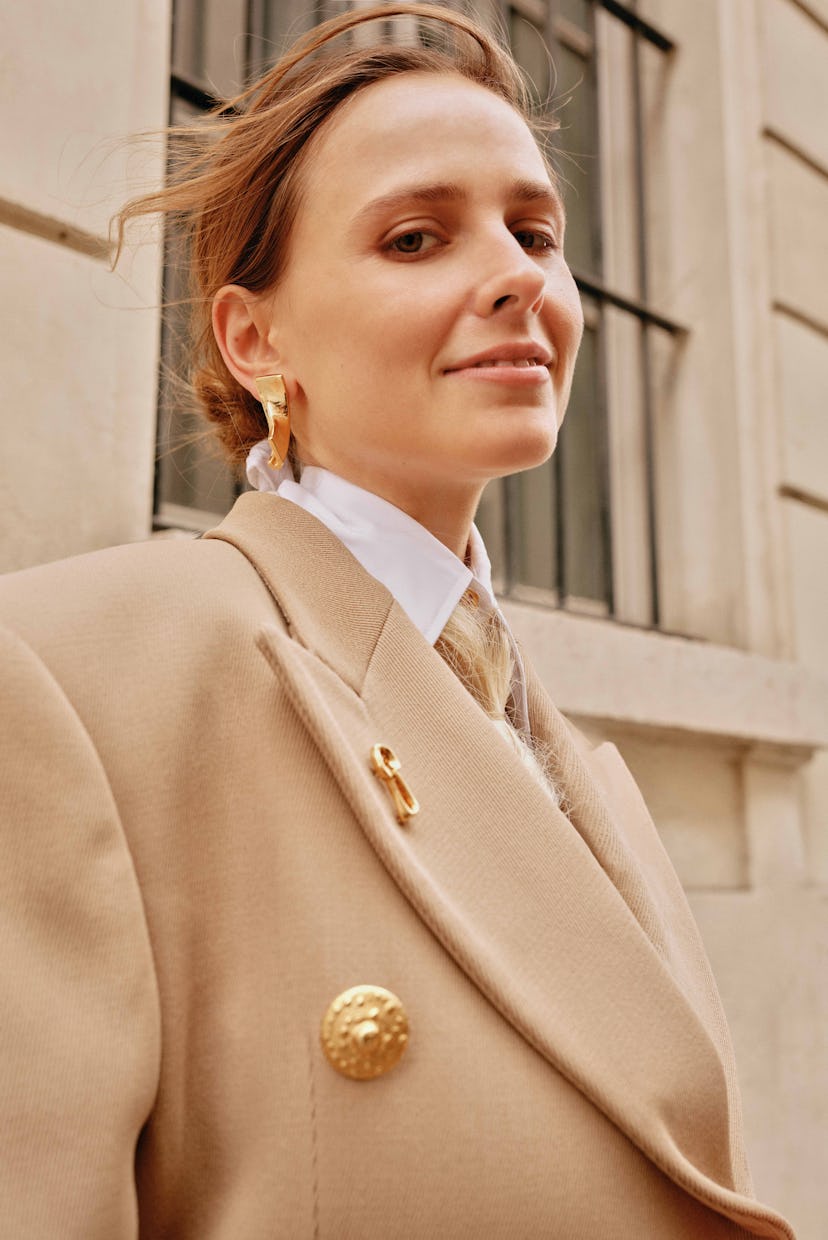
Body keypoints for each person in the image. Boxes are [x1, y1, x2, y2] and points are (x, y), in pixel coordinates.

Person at [0, 5, 796, 1237]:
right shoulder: (75, 676)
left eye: (536, 231)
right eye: (417, 237)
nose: (517, 276)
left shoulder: (563, 751)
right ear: (255, 339)